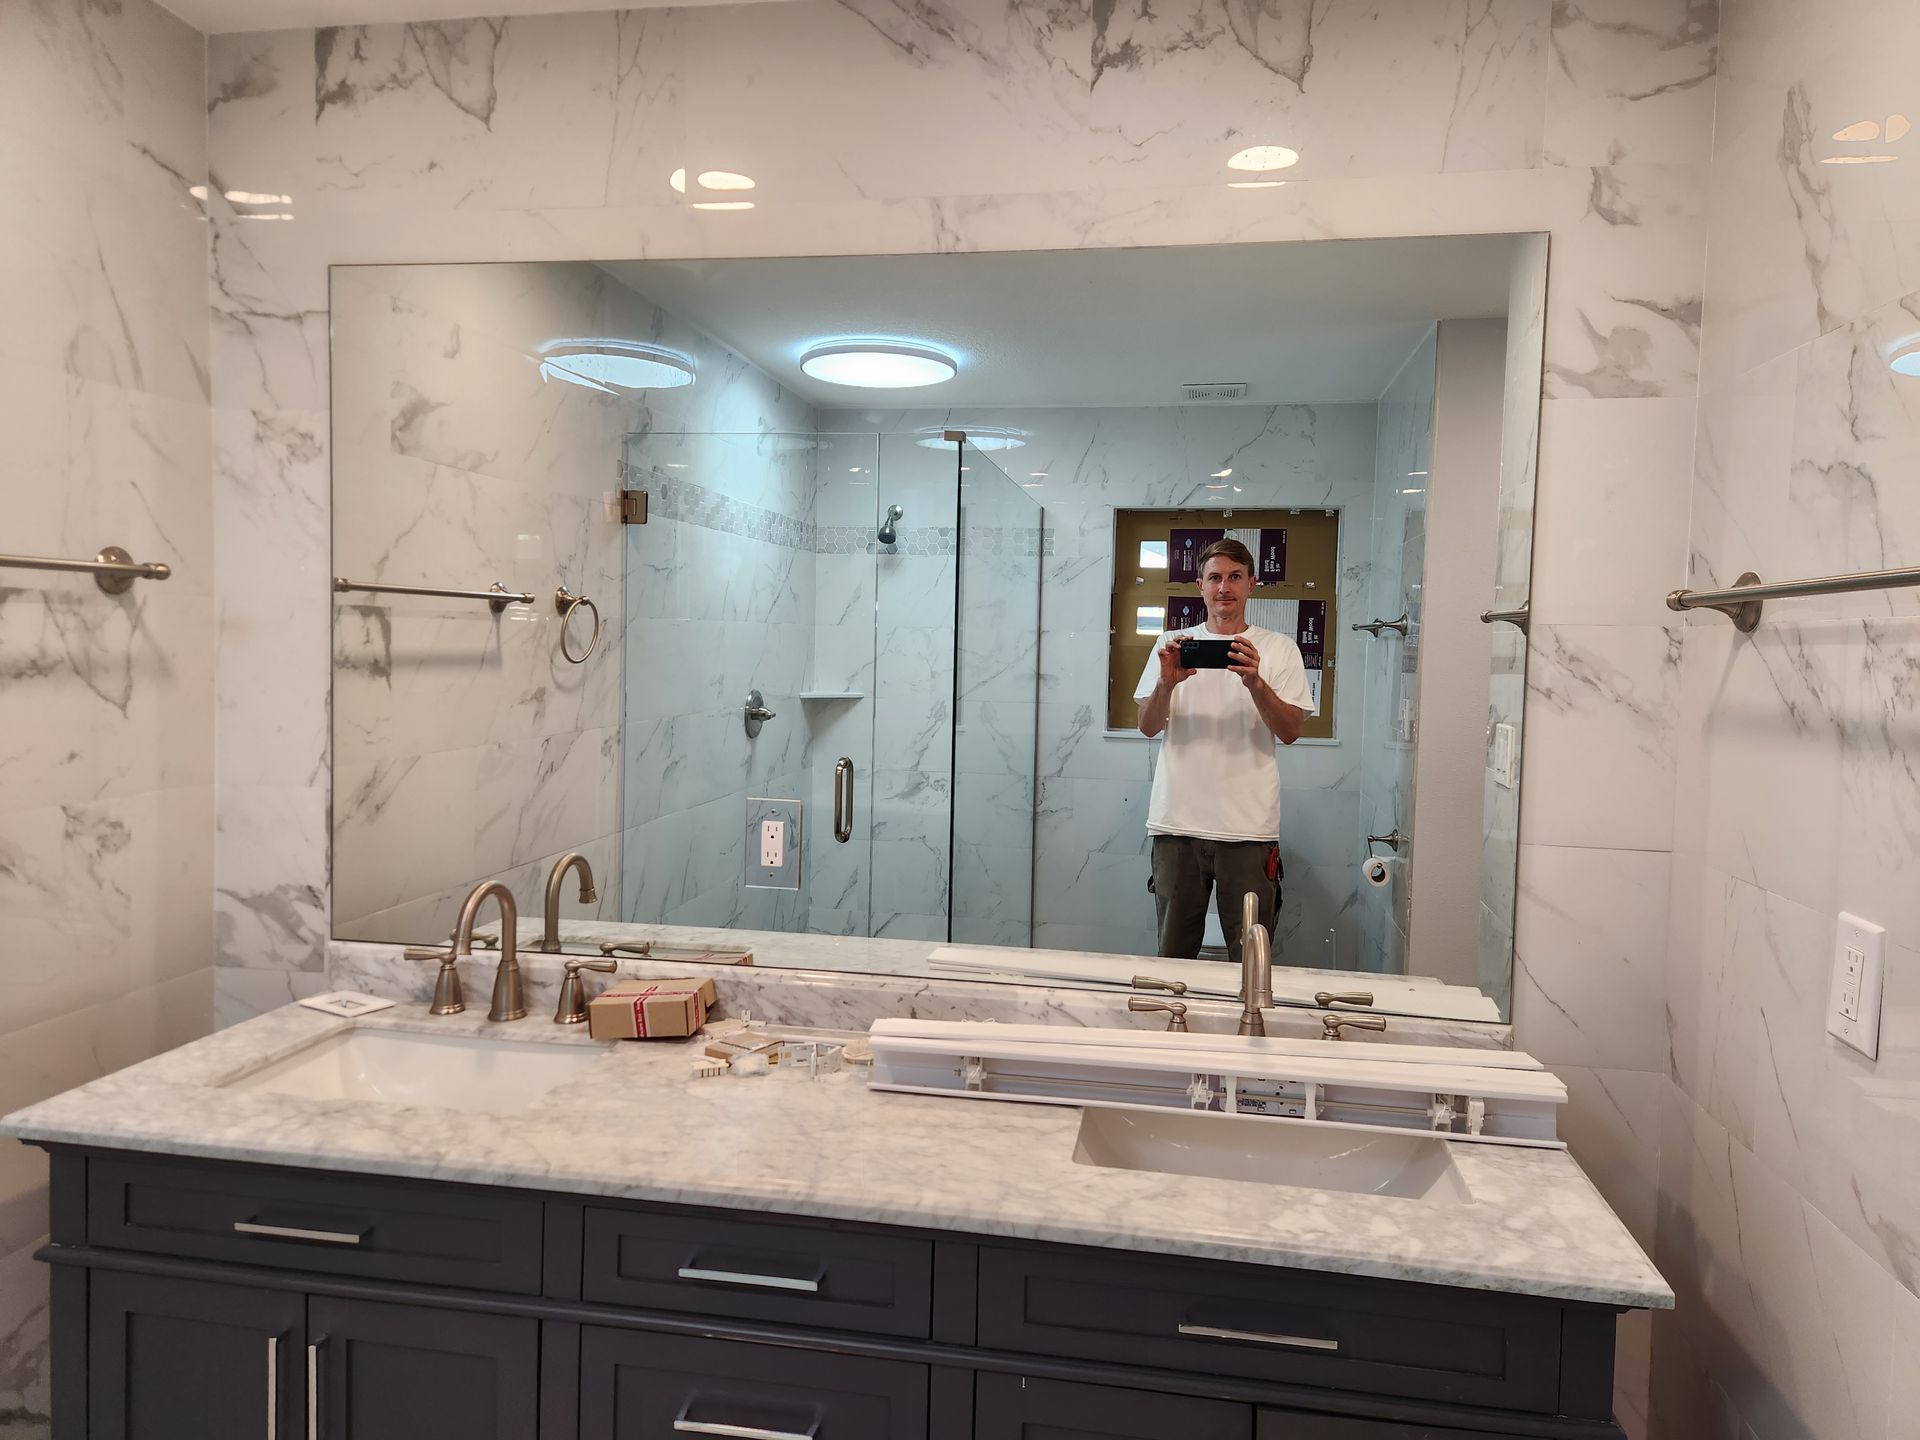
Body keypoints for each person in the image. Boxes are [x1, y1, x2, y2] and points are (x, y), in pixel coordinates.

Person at [1134, 537, 1313, 960]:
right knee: (1173, 956)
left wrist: (1255, 681)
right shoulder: (1171, 645)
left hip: (1248, 830)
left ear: (1252, 584)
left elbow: (1290, 731)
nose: (1224, 587)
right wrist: (1167, 684)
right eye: (1215, 577)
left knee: (1250, 959)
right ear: (1200, 585)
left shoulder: (1279, 648)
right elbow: (1147, 726)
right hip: (1176, 825)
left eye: (1235, 577)